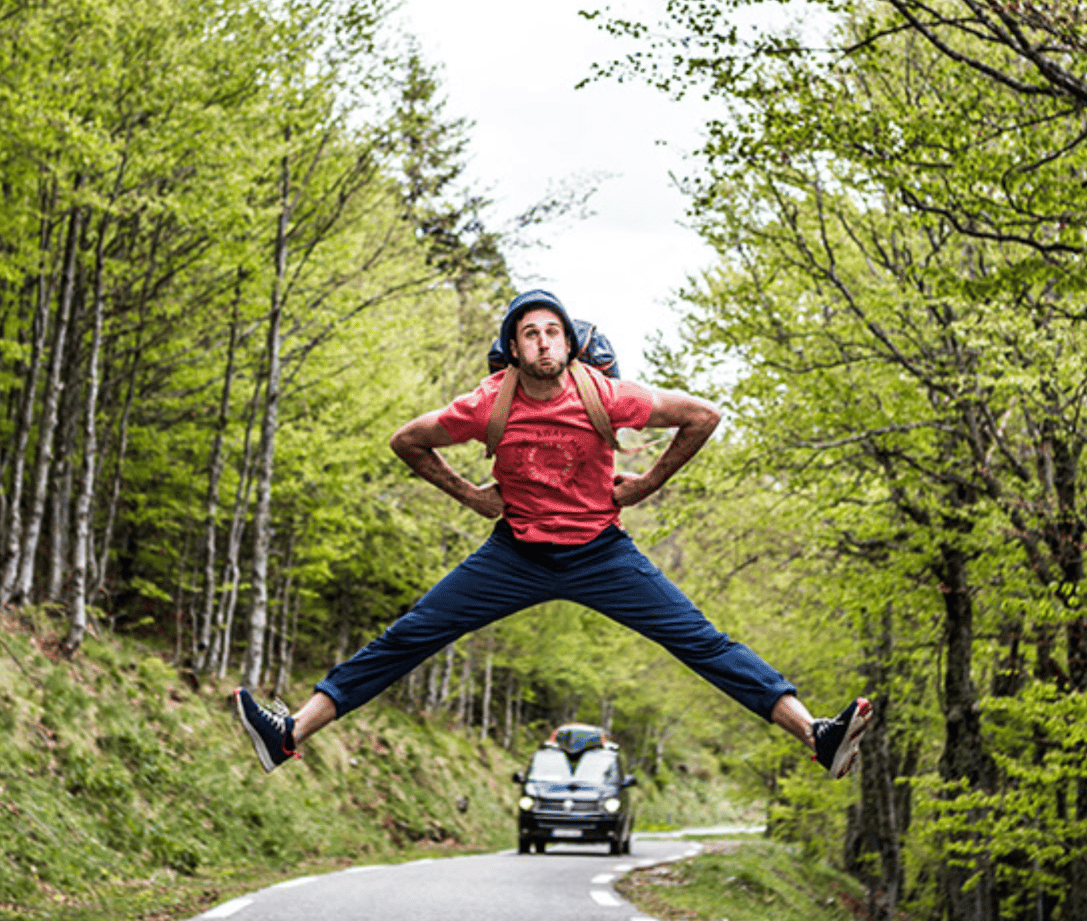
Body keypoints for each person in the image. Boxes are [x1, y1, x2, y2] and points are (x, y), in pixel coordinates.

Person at [234, 289, 871, 779]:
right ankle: (287, 734)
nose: (542, 342)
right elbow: (407, 440)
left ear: (568, 343)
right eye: (529, 334)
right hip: (515, 554)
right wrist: (473, 497)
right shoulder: (488, 403)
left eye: (552, 332)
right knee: (410, 636)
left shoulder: (606, 395)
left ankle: (817, 736)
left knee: (701, 641)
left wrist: (646, 483)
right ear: (514, 349)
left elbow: (702, 416)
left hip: (602, 553)